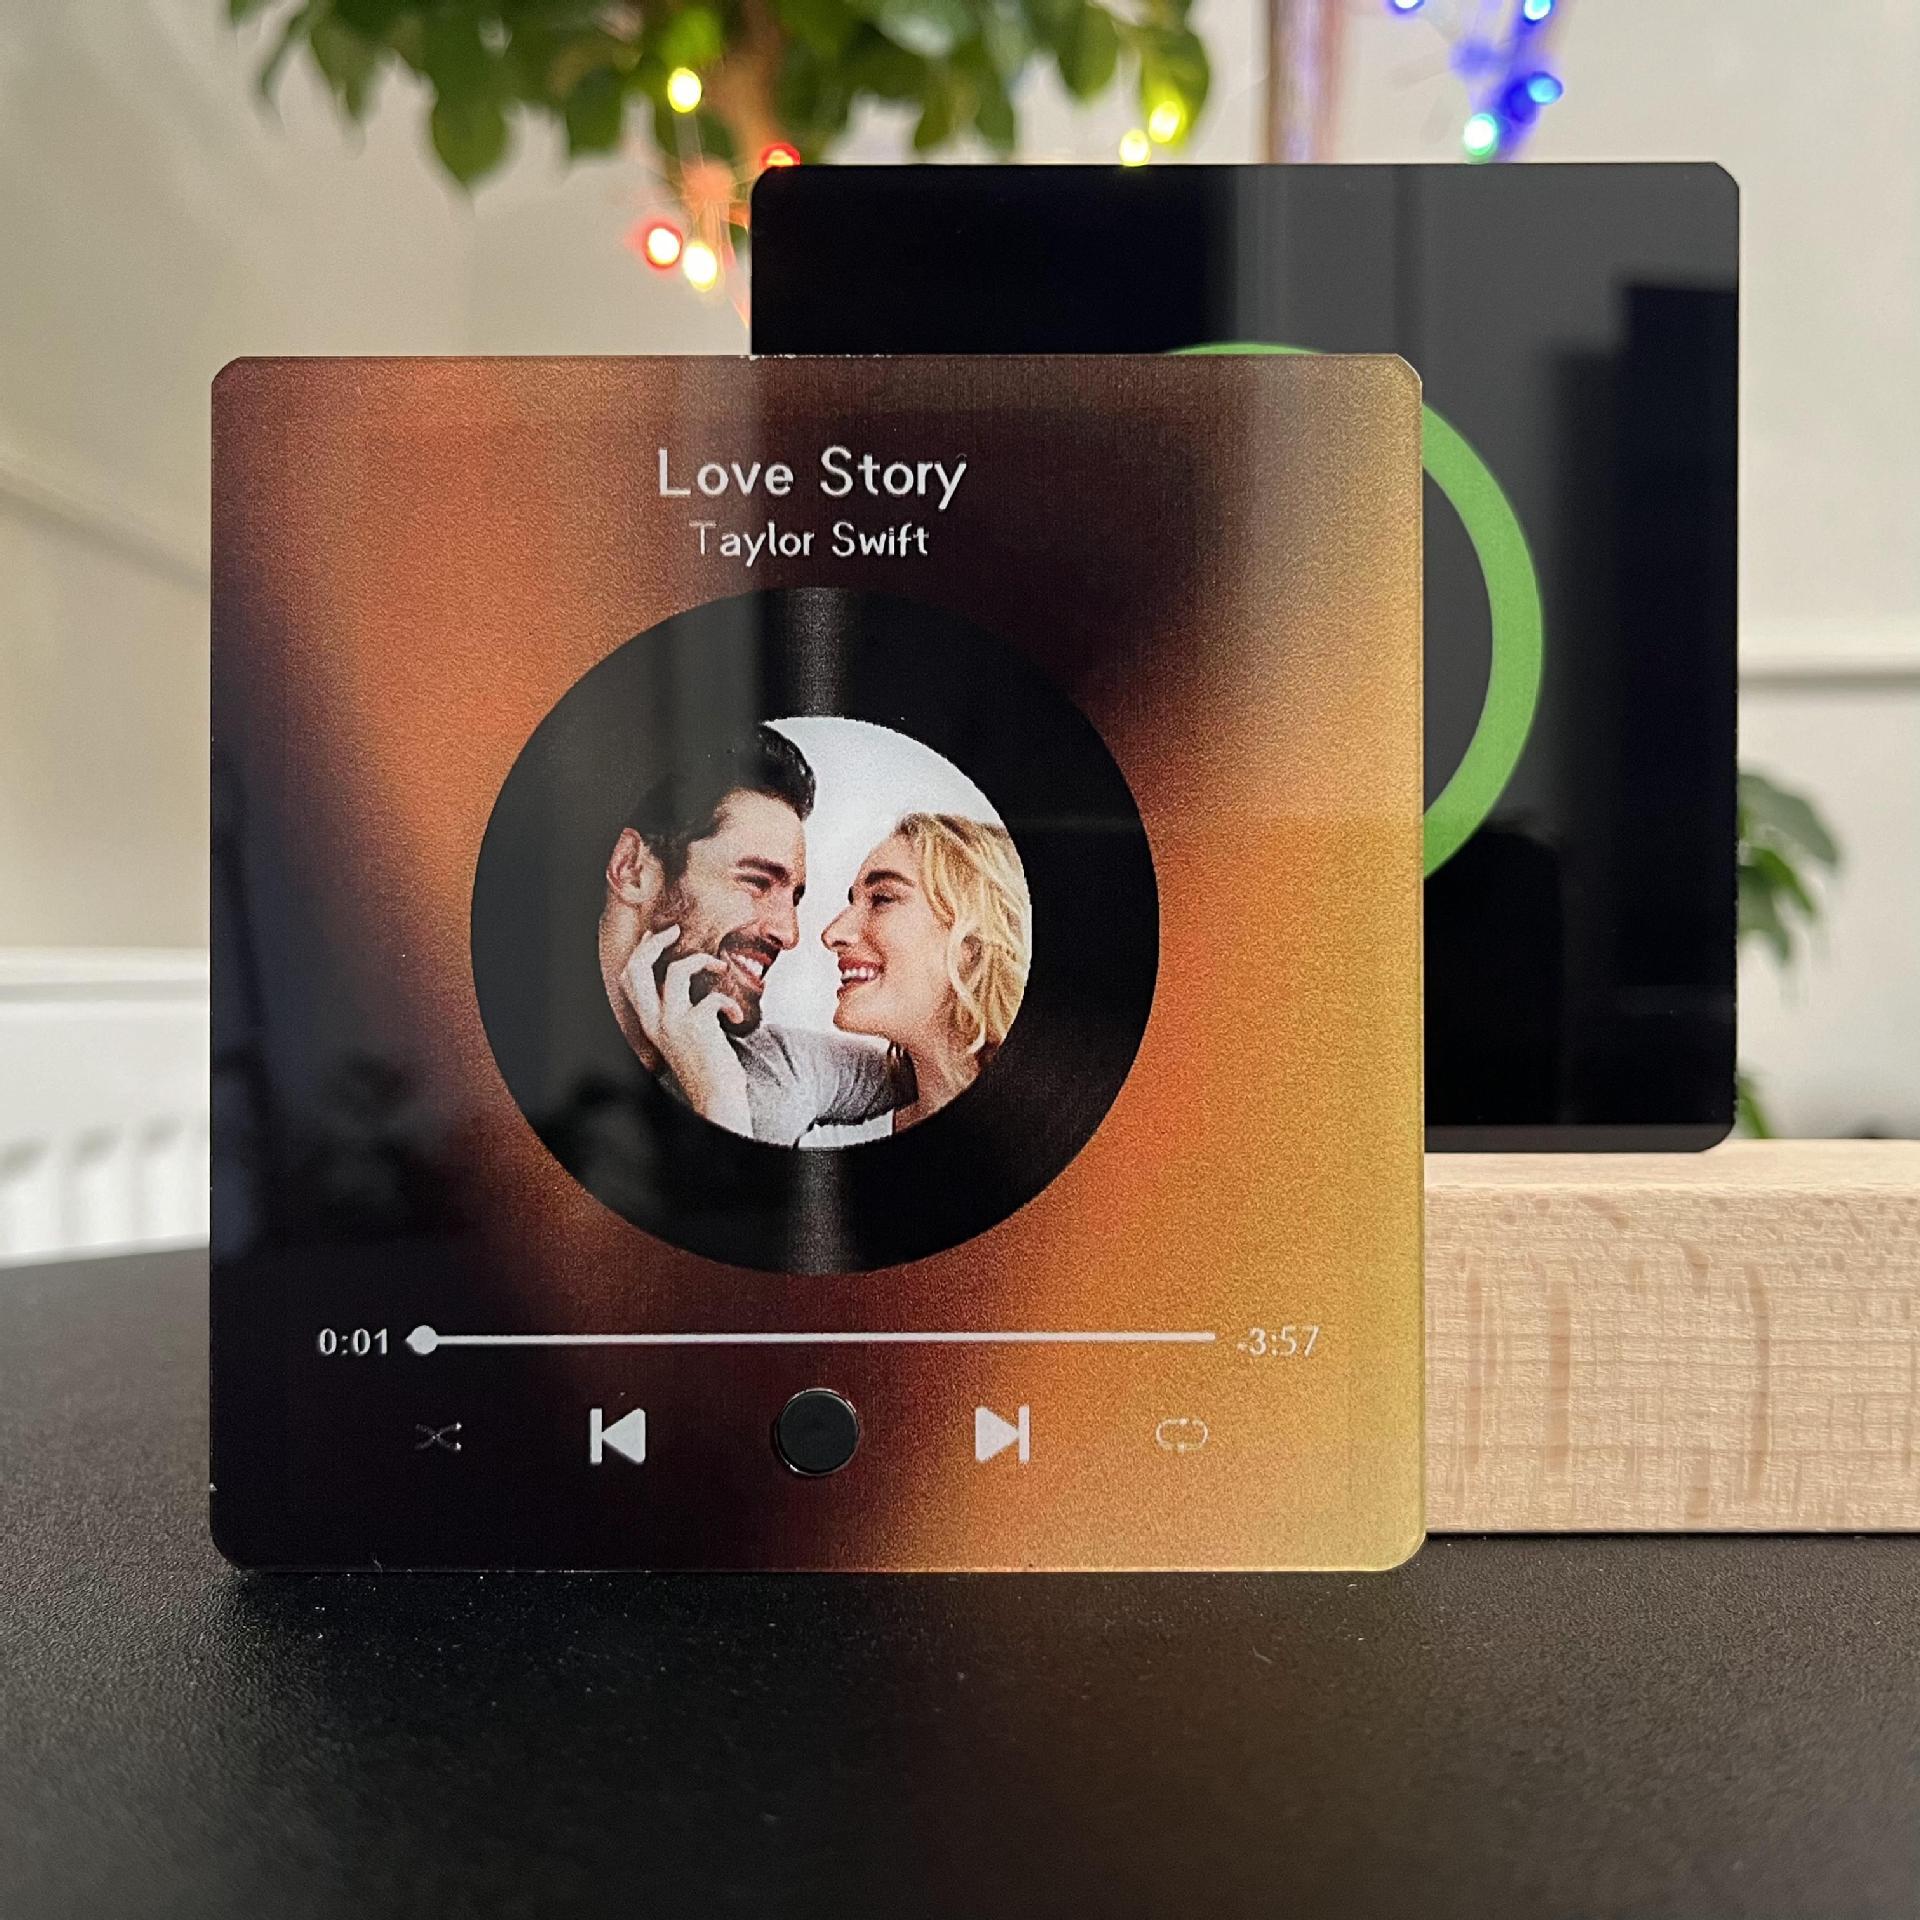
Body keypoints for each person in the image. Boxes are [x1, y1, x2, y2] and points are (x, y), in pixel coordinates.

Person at [599, 724, 902, 1145]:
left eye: (793, 898)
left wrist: (720, 1100)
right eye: (757, 882)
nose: (789, 933)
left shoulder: (780, 1068)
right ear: (632, 870)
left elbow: (941, 1065)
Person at [822, 812, 1031, 1133]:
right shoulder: (834, 1146)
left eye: (882, 899)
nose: (832, 933)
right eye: (853, 901)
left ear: (973, 940)